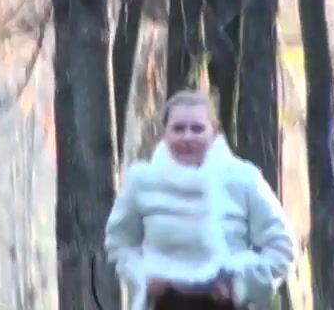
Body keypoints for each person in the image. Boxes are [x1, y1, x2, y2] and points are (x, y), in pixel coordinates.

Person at [104, 90, 297, 310]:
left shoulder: (243, 178)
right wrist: (143, 278)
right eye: (178, 128)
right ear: (164, 132)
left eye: (197, 128)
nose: (187, 137)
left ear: (214, 131)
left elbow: (282, 249)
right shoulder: (141, 181)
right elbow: (119, 243)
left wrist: (239, 287)